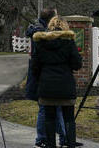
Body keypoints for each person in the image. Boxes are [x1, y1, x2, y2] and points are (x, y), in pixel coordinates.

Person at [31, 16, 82, 148]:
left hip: (47, 86)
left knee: (49, 118)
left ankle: (50, 145)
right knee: (69, 118)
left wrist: (39, 79)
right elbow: (77, 64)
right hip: (65, 86)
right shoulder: (69, 42)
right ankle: (70, 144)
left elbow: (35, 67)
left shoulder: (40, 43)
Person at [25, 8, 66, 147]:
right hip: (46, 76)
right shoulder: (43, 34)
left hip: (40, 76)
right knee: (51, 108)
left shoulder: (37, 30)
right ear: (51, 19)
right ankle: (48, 138)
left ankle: (51, 137)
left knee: (49, 108)